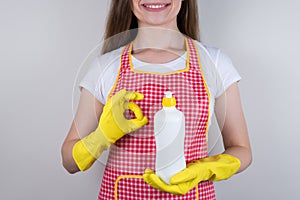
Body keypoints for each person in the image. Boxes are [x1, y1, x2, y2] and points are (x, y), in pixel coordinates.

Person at [61, 0, 252, 199]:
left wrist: (207, 168)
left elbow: (242, 150)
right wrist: (101, 136)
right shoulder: (105, 67)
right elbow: (68, 161)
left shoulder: (214, 62)